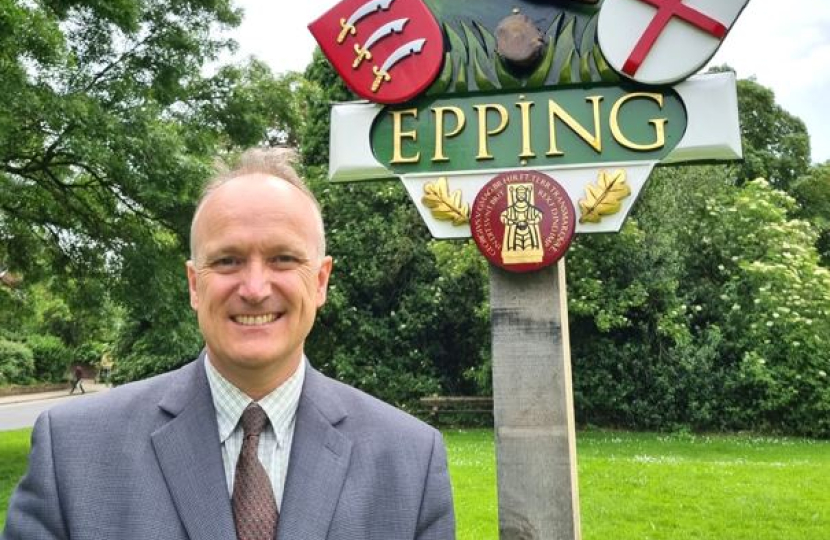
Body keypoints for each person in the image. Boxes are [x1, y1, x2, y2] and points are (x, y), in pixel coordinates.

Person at [2, 148, 455, 540]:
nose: (255, 287)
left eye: (282, 258)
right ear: (194, 285)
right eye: (227, 260)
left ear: (320, 281)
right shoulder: (74, 452)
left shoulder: (410, 463)